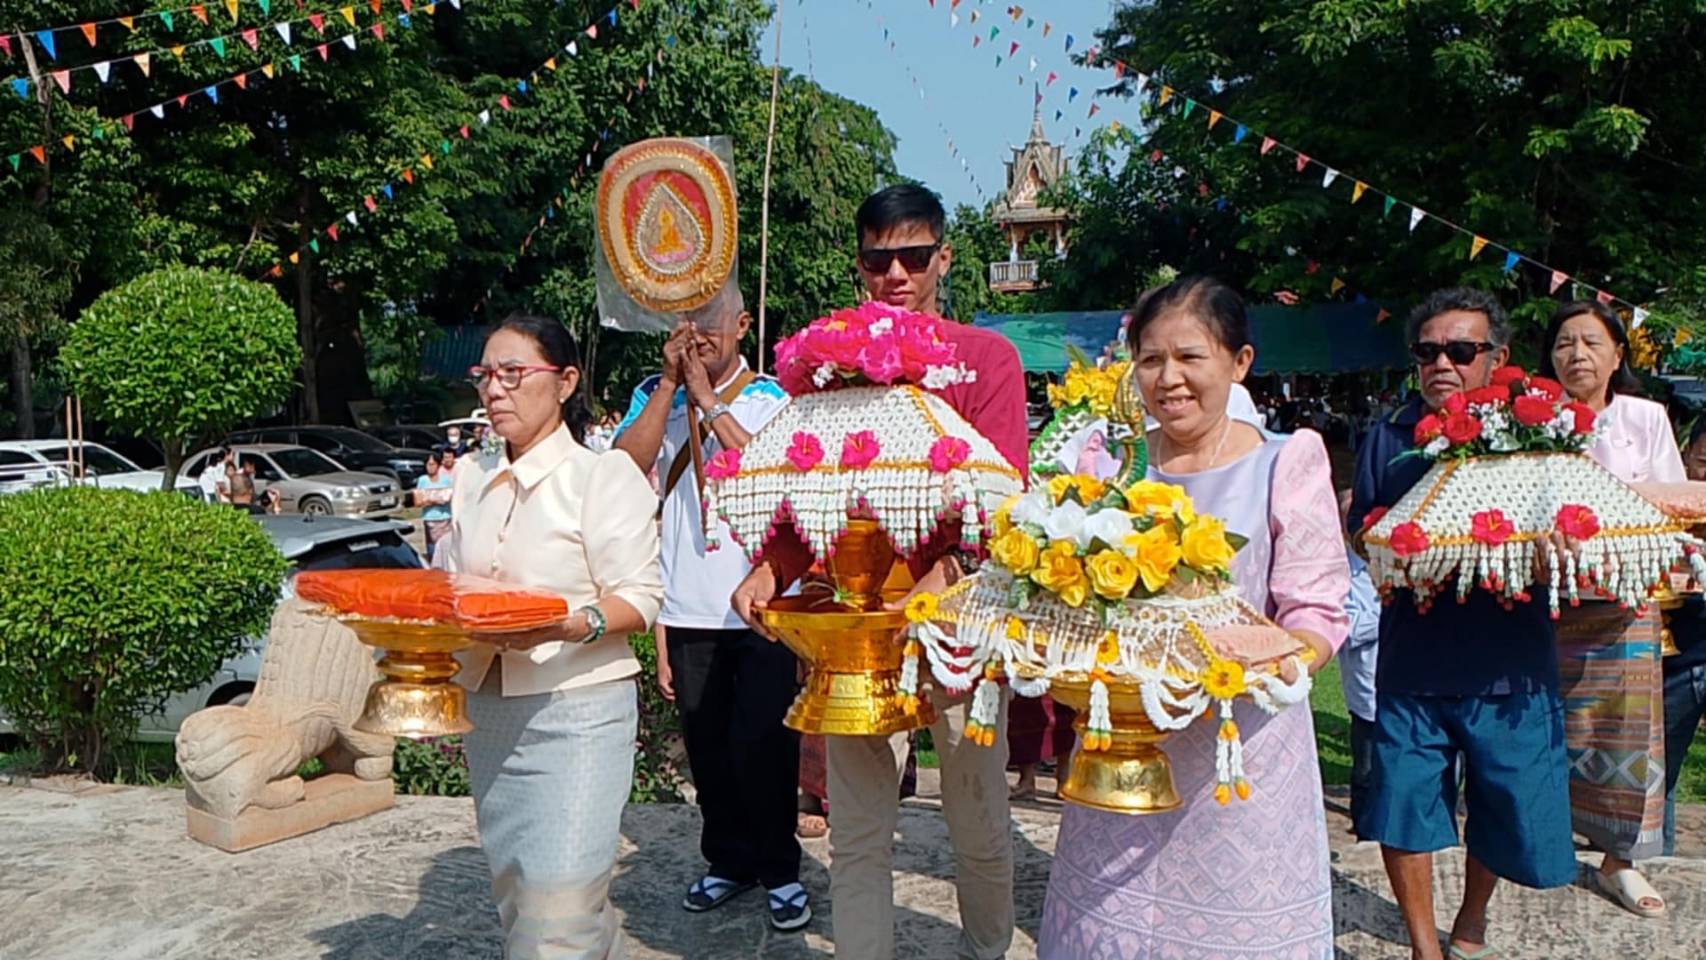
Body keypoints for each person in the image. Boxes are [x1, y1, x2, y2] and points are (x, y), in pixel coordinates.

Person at [732, 183, 1029, 960]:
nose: (896, 274)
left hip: (958, 625)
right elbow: (803, 492)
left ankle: (987, 950)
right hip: (852, 630)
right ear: (860, 264)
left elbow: (1005, 497)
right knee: (859, 831)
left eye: (914, 255)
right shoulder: (820, 365)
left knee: (976, 817)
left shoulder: (985, 360)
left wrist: (952, 571)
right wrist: (773, 567)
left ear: (943, 257)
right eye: (878, 258)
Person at [1038, 275, 1349, 959]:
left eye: (1190, 357)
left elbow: (1318, 610)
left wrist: (1271, 661)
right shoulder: (1111, 464)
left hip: (1241, 757)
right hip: (1122, 746)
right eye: (1150, 360)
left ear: (1239, 363)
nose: (1168, 379)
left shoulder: (1284, 460)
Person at [1350, 288, 1575, 960]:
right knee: (1403, 804)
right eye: (1428, 351)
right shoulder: (1387, 436)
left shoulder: (1538, 442)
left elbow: (1570, 530)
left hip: (1510, 659)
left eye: (1460, 350)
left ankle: (1471, 920)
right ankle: (1425, 946)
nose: (1441, 363)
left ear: (1496, 358)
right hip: (1414, 657)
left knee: (1505, 807)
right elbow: (1362, 531)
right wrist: (1395, 546)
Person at [434, 312, 663, 959]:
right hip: (491, 708)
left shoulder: (602, 477)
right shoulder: (471, 479)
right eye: (485, 376)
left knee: (558, 908)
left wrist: (573, 622)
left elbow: (641, 597)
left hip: (579, 710)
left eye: (514, 374)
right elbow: (453, 583)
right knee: (520, 892)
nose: (494, 391)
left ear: (565, 382)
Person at [612, 283, 807, 931]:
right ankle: (728, 859)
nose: (698, 334)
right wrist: (671, 387)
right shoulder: (653, 396)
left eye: (712, 321)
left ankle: (781, 868)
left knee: (765, 744)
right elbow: (620, 470)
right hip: (687, 608)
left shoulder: (772, 398)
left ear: (743, 324)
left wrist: (708, 398)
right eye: (684, 322)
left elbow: (769, 473)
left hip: (758, 609)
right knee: (707, 747)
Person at [1539, 299, 1683, 917]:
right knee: (1538, 730)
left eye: (1592, 343)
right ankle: (1538, 850)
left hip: (1625, 603)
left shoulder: (1644, 418)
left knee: (1627, 732)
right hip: (1545, 603)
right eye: (1565, 343)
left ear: (1618, 355)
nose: (1577, 355)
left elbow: (1671, 501)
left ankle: (1619, 862)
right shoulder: (1530, 422)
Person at [1338, 488, 1382, 832]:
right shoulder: (1337, 573)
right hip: (1367, 691)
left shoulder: (1392, 560)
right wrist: (1391, 612)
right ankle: (1364, 832)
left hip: (1405, 688)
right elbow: (1346, 629)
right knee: (1366, 769)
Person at [414, 449, 455, 564]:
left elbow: (450, 496)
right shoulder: (423, 480)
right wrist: (433, 500)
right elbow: (418, 500)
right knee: (432, 547)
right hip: (430, 518)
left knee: (445, 546)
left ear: (438, 465)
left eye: (432, 464)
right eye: (428, 464)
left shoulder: (446, 480)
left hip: (445, 517)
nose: (430, 467)